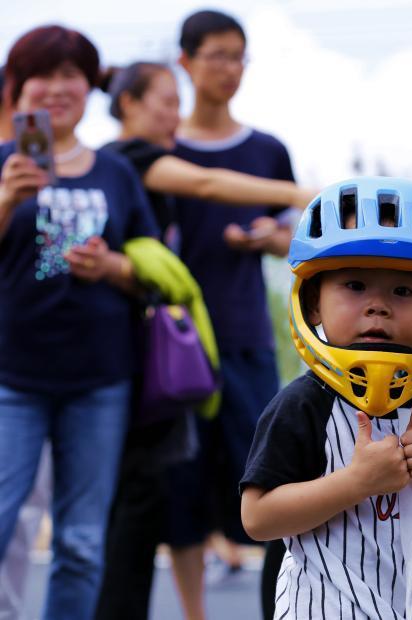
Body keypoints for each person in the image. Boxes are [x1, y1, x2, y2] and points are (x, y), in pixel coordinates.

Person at [92, 60, 317, 620]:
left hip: (182, 351)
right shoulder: (127, 157)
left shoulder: (138, 161)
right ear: (129, 105)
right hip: (151, 356)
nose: (176, 113)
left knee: (167, 498)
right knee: (154, 503)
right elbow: (207, 183)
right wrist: (305, 191)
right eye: (166, 101)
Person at [240, 177, 412, 619]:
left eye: (403, 291)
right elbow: (257, 518)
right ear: (314, 303)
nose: (377, 306)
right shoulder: (304, 405)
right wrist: (356, 483)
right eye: (354, 285)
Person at [0, 25, 158, 620]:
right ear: (19, 89)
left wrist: (111, 266)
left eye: (71, 75)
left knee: (82, 542)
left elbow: (151, 268)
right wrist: (6, 200)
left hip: (99, 379)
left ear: (89, 87)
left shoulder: (116, 173)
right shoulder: (3, 164)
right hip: (10, 376)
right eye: (43, 75)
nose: (57, 88)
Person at [162, 11, 299, 620]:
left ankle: (287, 605)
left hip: (246, 336)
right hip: (176, 345)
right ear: (185, 61)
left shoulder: (267, 149)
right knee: (183, 486)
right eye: (216, 55)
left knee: (270, 473)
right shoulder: (162, 150)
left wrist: (271, 237)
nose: (229, 68)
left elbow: (296, 237)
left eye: (238, 56)